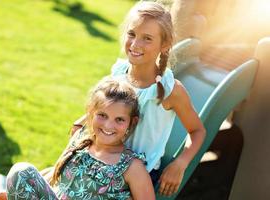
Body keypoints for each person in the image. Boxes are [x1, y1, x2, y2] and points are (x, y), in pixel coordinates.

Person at [71, 1, 206, 197]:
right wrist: (82, 121)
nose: (135, 44)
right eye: (132, 34)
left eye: (147, 38)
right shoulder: (119, 73)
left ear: (165, 45)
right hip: (102, 160)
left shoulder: (170, 90)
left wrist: (180, 163)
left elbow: (197, 131)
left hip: (136, 179)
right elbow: (106, 109)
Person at [0, 76, 155, 200]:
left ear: (131, 122)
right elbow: (55, 176)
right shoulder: (81, 141)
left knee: (22, 170)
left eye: (119, 120)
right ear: (90, 112)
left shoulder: (131, 167)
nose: (108, 126)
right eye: (102, 115)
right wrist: (13, 192)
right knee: (22, 173)